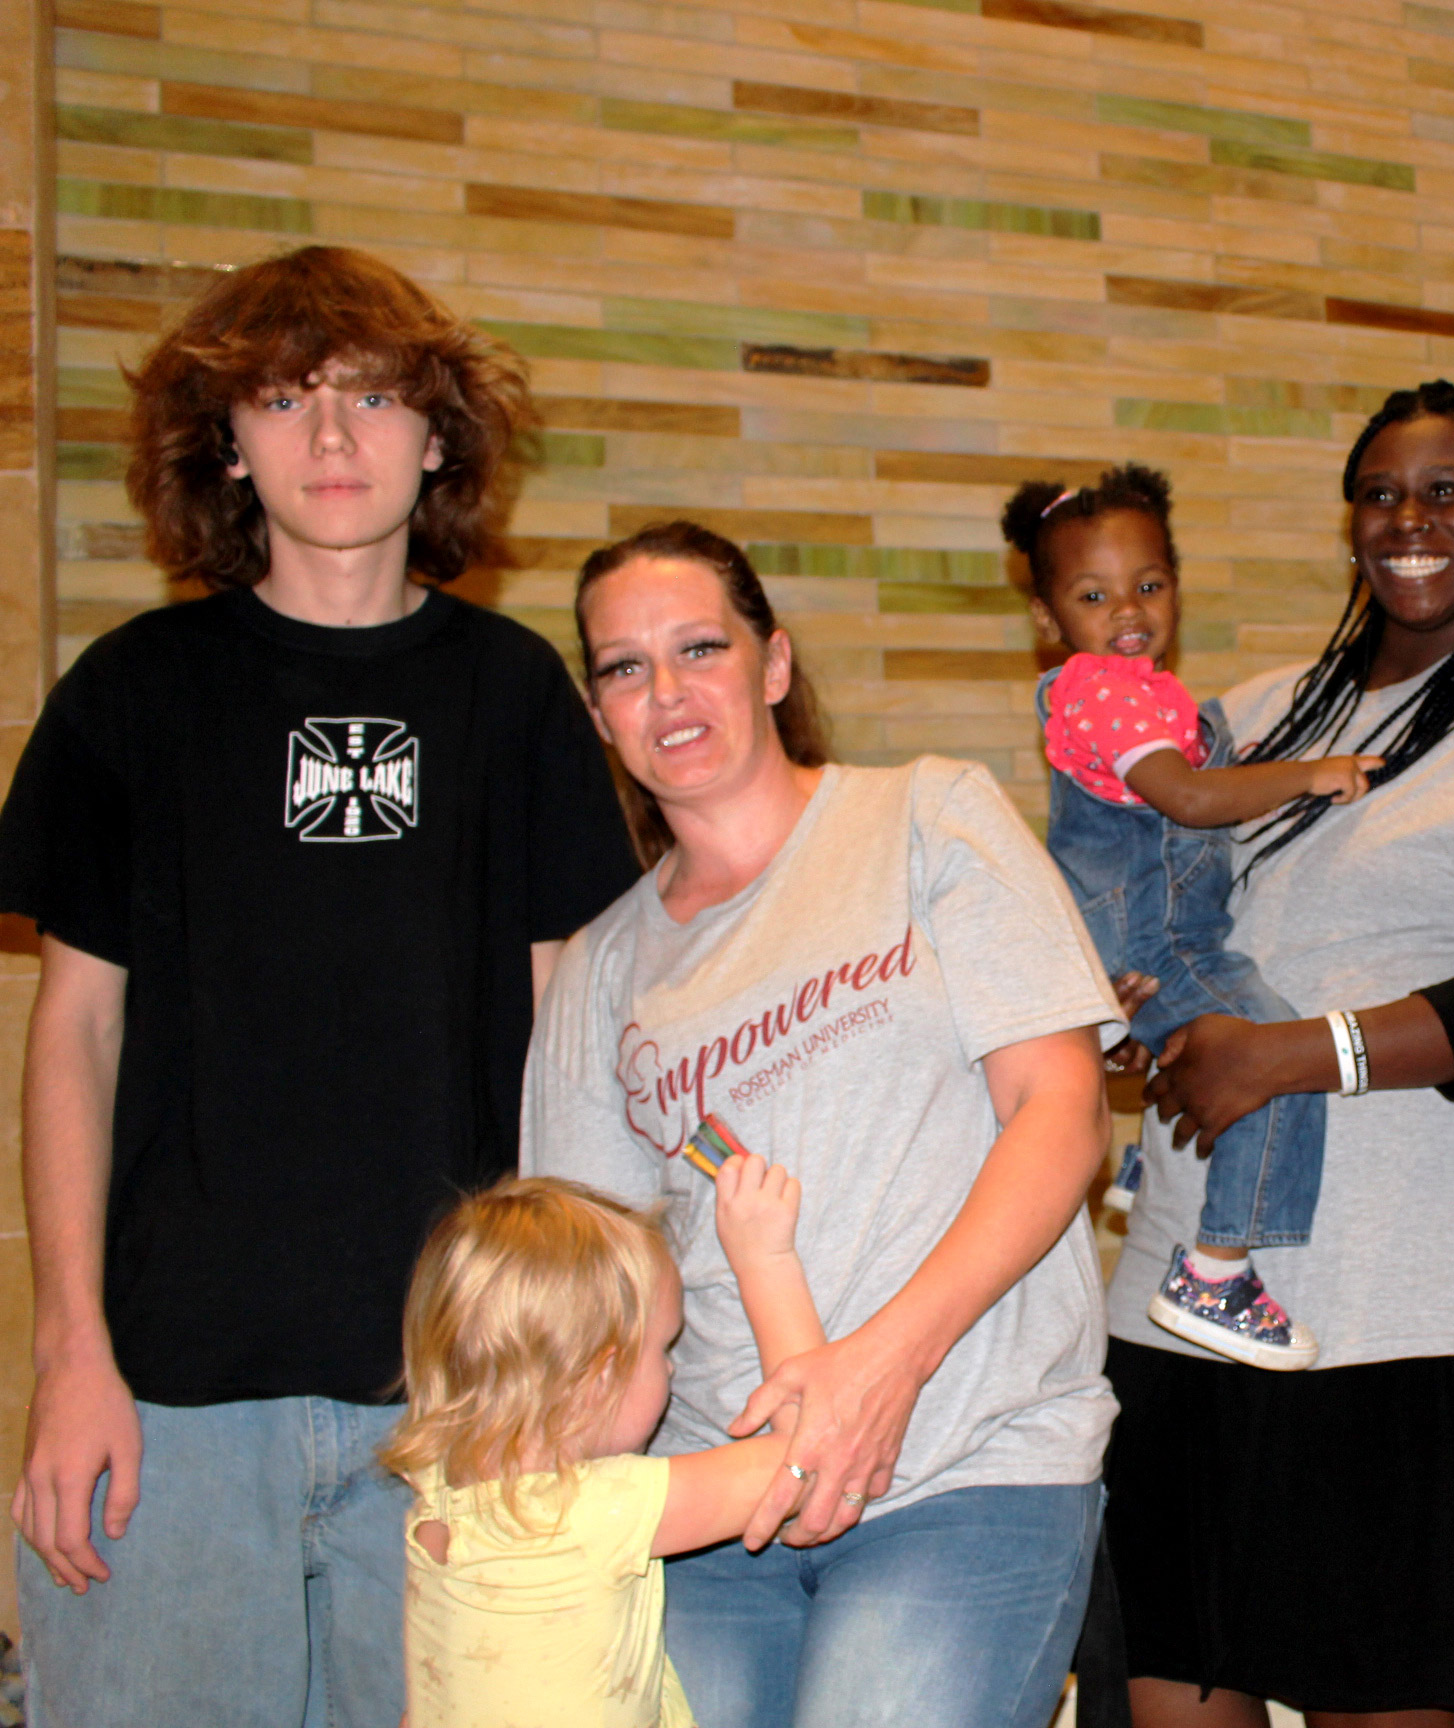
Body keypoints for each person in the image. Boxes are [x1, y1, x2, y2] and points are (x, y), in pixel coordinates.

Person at [0, 245, 638, 1725]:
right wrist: (69, 1357)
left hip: (453, 1409)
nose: (333, 439)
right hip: (166, 1401)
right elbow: (74, 1037)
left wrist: (566, 1375)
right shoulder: (134, 691)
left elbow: (570, 1050)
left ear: (438, 434)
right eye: (284, 401)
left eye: (371, 398)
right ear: (227, 442)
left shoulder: (513, 694)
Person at [523, 519, 1123, 1728]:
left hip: (965, 1465)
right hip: (711, 1512)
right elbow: (586, 1288)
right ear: (599, 715)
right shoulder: (598, 971)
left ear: (775, 665)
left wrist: (881, 1368)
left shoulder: (927, 819)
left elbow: (1062, 1116)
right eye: (624, 669)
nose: (667, 691)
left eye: (699, 647)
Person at [1101, 381, 1454, 1725]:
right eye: (1382, 492)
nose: (1409, 518)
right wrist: (1125, 982)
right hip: (1186, 1303)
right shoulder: (1258, 715)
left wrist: (1287, 1057)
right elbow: (1159, 897)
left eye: (1446, 491)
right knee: (1168, 1686)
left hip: (1403, 1321)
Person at [1007, 463, 1380, 1370]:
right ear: (1052, 623)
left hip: (1157, 937)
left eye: (1149, 585)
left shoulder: (1149, 695)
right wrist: (1306, 772)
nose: (1129, 609)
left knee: (1245, 1044)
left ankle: (1145, 1181)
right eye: (1094, 595)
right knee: (1282, 1052)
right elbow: (1187, 799)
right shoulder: (1103, 688)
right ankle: (1216, 1271)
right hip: (1156, 940)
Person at [384, 1166, 823, 1726]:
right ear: (599, 1379)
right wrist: (767, 1261)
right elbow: (809, 1457)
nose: (671, 1369)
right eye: (664, 1349)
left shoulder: (438, 1496)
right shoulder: (600, 1511)